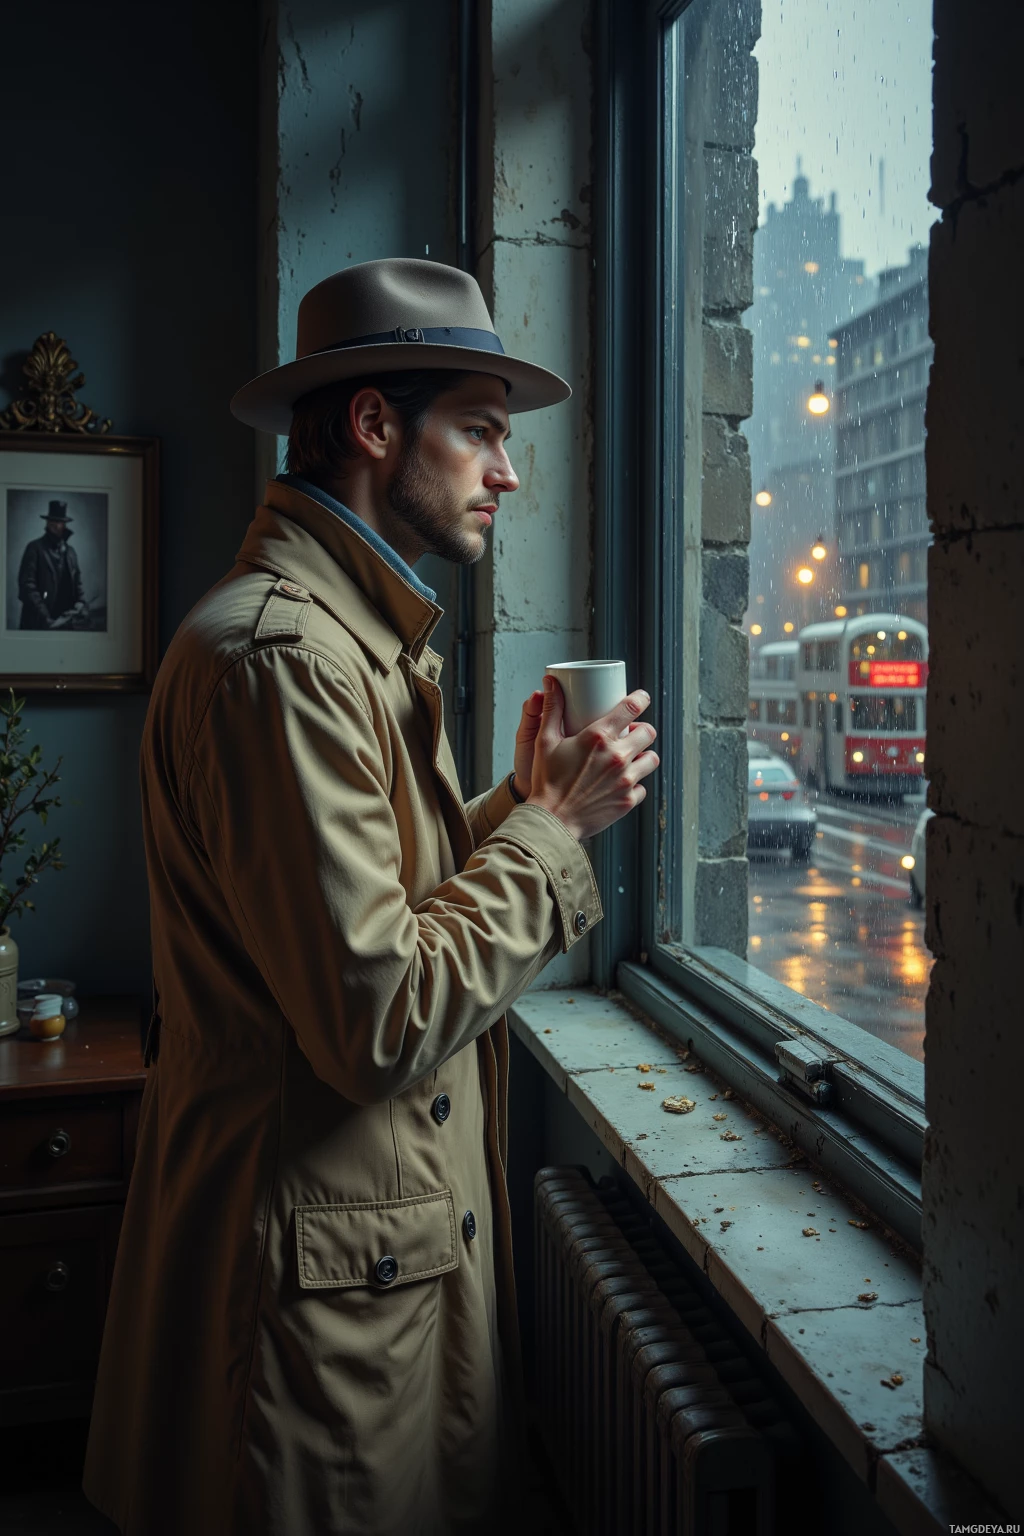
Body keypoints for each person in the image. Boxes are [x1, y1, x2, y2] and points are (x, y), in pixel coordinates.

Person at [82, 258, 659, 1536]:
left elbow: (371, 918)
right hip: (314, 1316)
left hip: (359, 1281)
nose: (509, 474)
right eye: (483, 432)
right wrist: (557, 834)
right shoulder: (285, 660)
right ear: (373, 426)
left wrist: (517, 807)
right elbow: (377, 1013)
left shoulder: (348, 645)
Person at [17, 499, 86, 628]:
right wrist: (46, 618)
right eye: (54, 521)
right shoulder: (34, 548)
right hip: (39, 623)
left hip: (66, 623)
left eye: (61, 522)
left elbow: (78, 582)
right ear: (48, 523)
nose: (58, 525)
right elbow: (27, 588)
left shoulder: (70, 552)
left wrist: (80, 602)